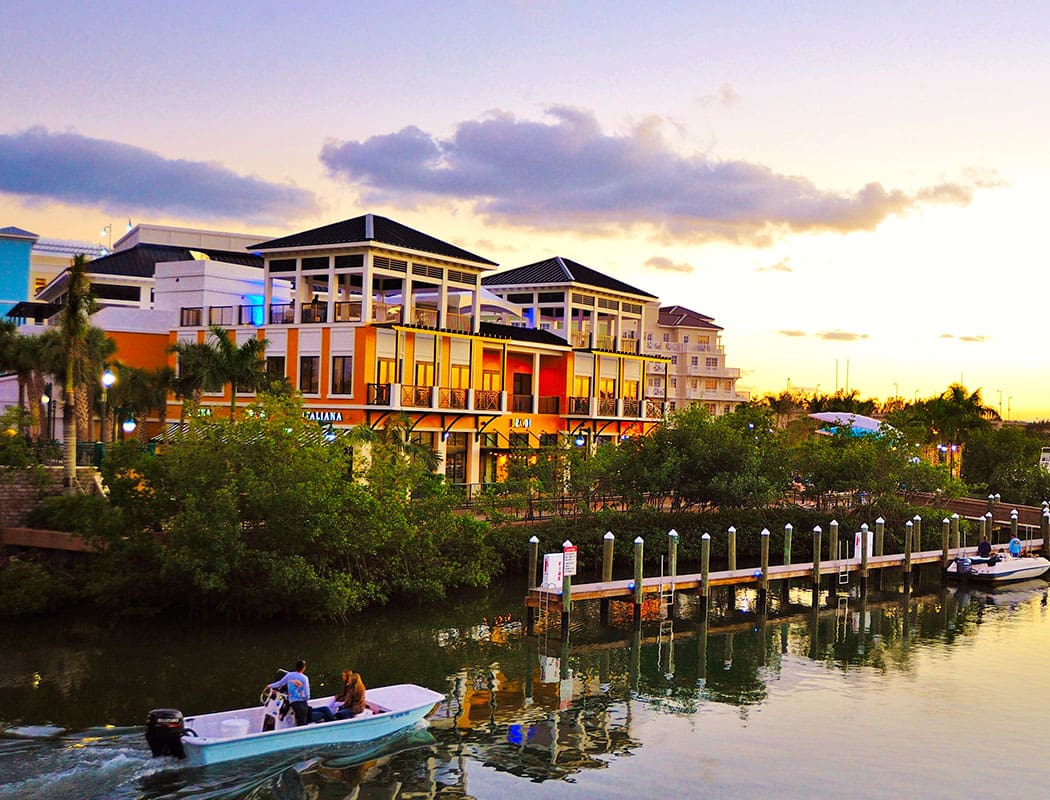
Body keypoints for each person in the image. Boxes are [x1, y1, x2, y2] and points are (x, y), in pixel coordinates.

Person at [266, 659, 311, 726]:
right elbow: (306, 692)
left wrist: (270, 686)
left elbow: (279, 683)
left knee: (299, 718)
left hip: (292, 701)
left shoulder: (289, 675)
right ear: (303, 668)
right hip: (301, 701)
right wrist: (306, 699)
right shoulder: (304, 678)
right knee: (303, 721)